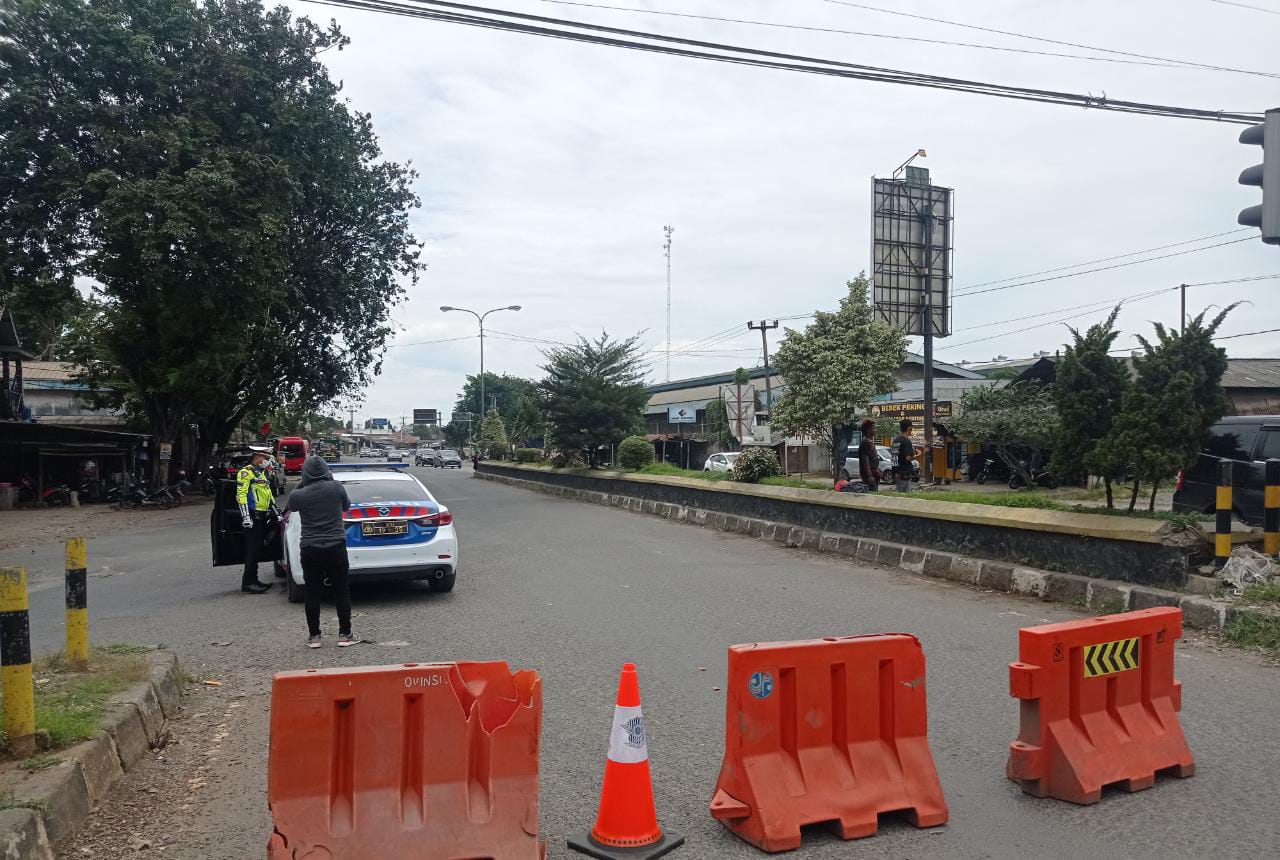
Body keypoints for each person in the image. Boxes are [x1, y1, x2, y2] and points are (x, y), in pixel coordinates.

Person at [284, 456, 353, 649]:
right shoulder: (336, 488)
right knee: (341, 590)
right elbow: (346, 506)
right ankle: (345, 634)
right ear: (327, 471)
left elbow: (291, 506)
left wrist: (302, 482)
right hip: (336, 545)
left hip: (310, 548)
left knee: (312, 593)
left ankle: (314, 636)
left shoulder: (299, 495)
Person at [236, 450, 276, 594]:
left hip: (262, 515)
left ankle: (254, 579)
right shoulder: (246, 473)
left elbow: (268, 493)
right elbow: (241, 495)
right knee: (252, 550)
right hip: (253, 516)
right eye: (265, 458)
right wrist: (246, 517)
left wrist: (275, 509)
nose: (267, 461)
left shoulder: (261, 473)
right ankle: (248, 583)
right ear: (258, 457)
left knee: (258, 549)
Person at [892, 420, 920, 493]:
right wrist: (917, 455)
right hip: (904, 473)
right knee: (906, 496)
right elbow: (907, 458)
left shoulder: (895, 441)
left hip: (896, 472)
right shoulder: (906, 441)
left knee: (899, 494)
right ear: (909, 428)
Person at [857, 418, 880, 491]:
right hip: (869, 476)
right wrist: (869, 476)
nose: (876, 430)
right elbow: (865, 460)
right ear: (868, 430)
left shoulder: (870, 442)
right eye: (874, 428)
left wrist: (877, 469)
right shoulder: (865, 443)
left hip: (874, 474)